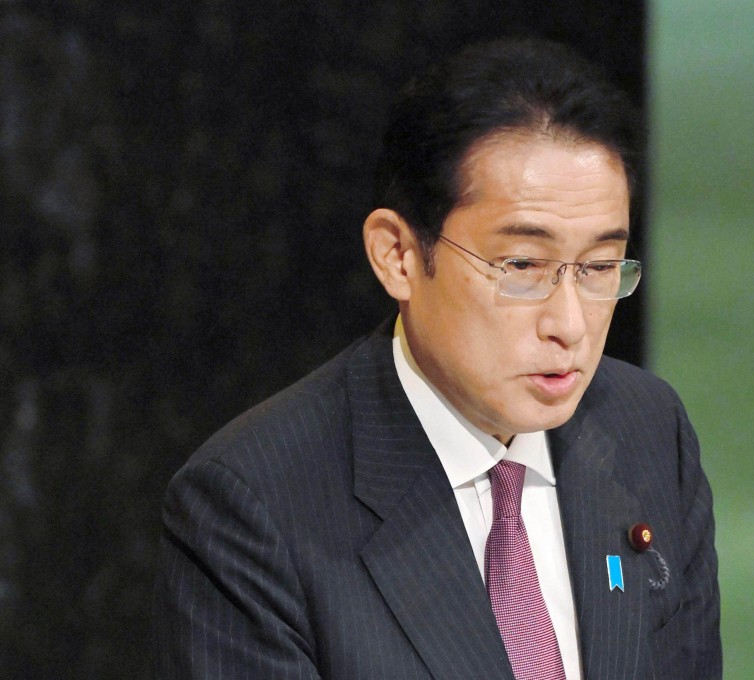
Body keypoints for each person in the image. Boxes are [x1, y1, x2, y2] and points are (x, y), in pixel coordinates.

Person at [154, 37, 721, 679]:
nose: (571, 325)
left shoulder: (647, 431)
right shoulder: (254, 506)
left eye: (599, 267)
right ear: (398, 254)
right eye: (522, 266)